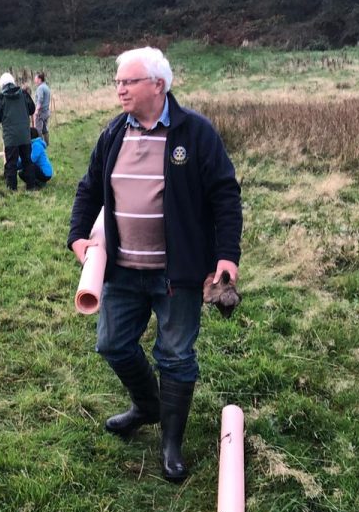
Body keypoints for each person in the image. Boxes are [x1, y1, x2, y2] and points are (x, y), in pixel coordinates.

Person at [67, 46, 242, 483]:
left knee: (176, 355)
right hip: (122, 269)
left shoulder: (195, 132)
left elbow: (225, 194)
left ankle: (171, 443)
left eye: (129, 81)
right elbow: (89, 188)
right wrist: (77, 237)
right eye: (118, 82)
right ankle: (146, 406)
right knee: (111, 343)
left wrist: (226, 256)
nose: (120, 89)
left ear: (158, 85)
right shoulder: (113, 134)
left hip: (177, 272)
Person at [0, 72, 37, 190]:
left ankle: (12, 188)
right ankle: (31, 186)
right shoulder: (24, 94)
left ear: (2, 84)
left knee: (11, 163)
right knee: (27, 161)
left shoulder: (0, 98)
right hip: (25, 135)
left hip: (10, 137)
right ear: (13, 81)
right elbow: (32, 109)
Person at [33, 72, 51, 146]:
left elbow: (40, 100)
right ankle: (46, 143)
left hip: (40, 112)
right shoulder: (46, 87)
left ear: (40, 79)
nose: (35, 80)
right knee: (44, 129)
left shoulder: (40, 88)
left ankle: (40, 145)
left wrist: (36, 110)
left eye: (36, 79)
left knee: (38, 130)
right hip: (46, 111)